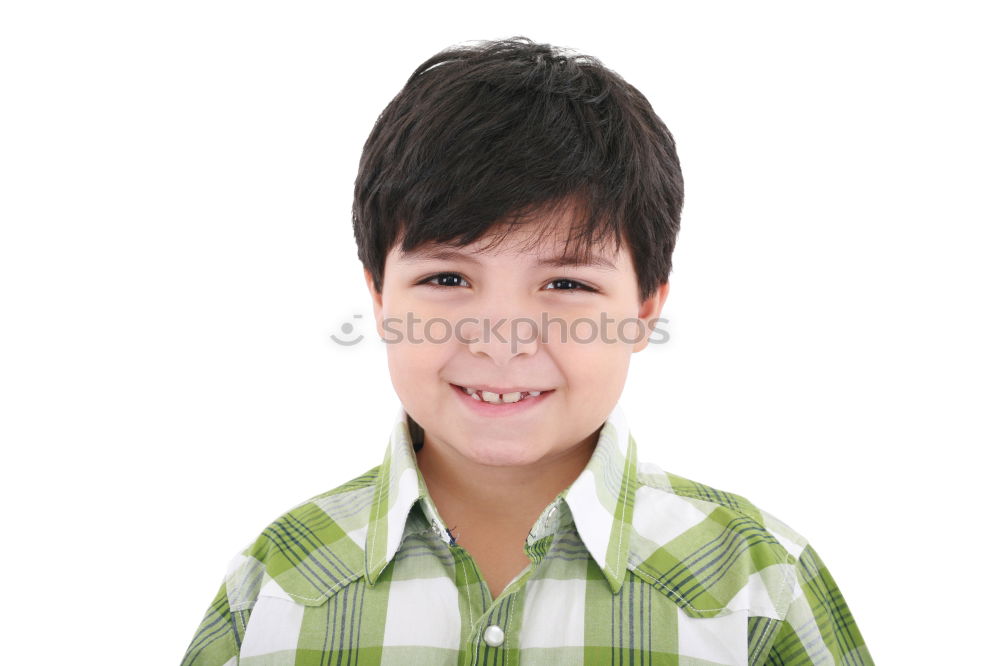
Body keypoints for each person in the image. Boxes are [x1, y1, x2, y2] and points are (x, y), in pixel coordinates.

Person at [181, 36, 874, 665]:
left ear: (644, 309)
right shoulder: (272, 588)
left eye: (566, 282)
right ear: (382, 299)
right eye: (448, 278)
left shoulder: (759, 584)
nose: (503, 339)